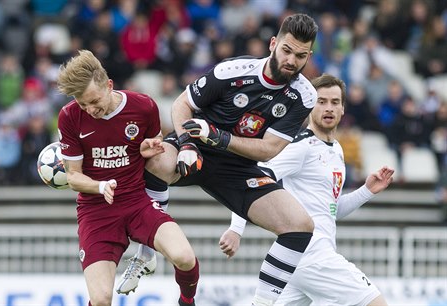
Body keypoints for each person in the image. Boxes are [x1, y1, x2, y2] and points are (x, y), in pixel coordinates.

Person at [118, 13, 319, 306]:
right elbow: (182, 104)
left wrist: (220, 137)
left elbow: (268, 149)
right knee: (156, 161)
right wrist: (186, 143)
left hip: (239, 166)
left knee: (300, 225)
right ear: (273, 43)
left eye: (300, 55)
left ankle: (262, 303)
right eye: (286, 50)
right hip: (196, 148)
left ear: (308, 56)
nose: (291, 60)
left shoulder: (303, 96)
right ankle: (146, 253)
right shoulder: (233, 71)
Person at [219, 74, 393, 306]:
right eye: (321, 102)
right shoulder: (300, 146)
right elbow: (253, 179)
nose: (328, 108)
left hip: (298, 259)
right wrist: (236, 229)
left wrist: (367, 191)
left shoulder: (336, 150)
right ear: (310, 106)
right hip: (314, 255)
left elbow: (331, 210)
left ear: (343, 109)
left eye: (334, 102)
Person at [56, 50, 199, 306]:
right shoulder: (69, 116)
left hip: (136, 202)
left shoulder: (143, 107)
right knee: (101, 299)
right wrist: (100, 186)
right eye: (82, 104)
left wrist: (144, 149)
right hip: (96, 211)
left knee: (185, 256)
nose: (90, 110)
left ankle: (187, 302)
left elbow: (153, 153)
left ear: (109, 85)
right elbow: (73, 177)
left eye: (94, 100)